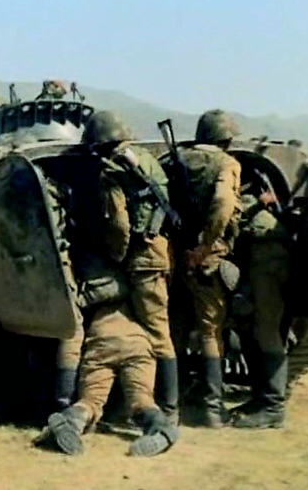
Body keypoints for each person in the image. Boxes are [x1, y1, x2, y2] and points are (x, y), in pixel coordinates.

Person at [80, 110, 180, 425]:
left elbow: (119, 223)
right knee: (150, 328)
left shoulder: (112, 169)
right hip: (159, 249)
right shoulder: (147, 159)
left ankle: (168, 410)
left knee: (156, 332)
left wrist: (116, 256)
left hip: (141, 257)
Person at [35, 299, 179, 457]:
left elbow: (73, 338)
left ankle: (71, 422)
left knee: (90, 401)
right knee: (142, 400)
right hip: (137, 343)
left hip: (100, 340)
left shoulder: (93, 297)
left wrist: (63, 400)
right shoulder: (142, 299)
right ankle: (160, 428)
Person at [176, 108, 243, 428]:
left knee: (174, 327)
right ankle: (212, 409)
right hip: (207, 255)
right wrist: (205, 245)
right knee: (210, 330)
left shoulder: (178, 159)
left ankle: (171, 397)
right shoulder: (226, 164)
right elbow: (223, 205)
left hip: (176, 252)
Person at [229, 190, 291, 429]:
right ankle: (260, 398)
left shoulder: (245, 199)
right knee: (250, 330)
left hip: (268, 262)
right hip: (257, 261)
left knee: (267, 332)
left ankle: (274, 407)